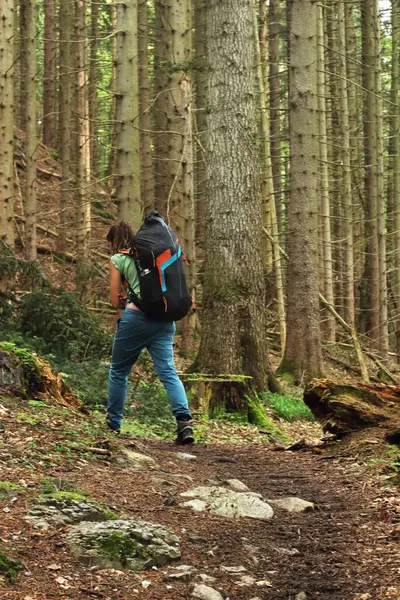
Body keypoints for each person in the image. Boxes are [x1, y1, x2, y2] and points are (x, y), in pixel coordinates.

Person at [105, 221, 194, 444]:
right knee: (168, 372)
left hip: (136, 319)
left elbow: (115, 300)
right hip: (164, 320)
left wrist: (126, 299)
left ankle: (113, 425)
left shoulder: (118, 259)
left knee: (118, 371)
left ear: (113, 241)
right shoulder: (152, 256)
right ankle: (184, 423)